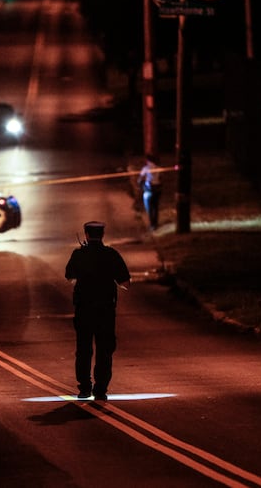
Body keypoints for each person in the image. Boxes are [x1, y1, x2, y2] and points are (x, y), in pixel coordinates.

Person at [65, 221, 131, 401]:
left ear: (86, 234)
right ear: (102, 235)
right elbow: (125, 283)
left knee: (84, 349)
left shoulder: (79, 254)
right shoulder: (111, 255)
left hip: (84, 309)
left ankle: (84, 388)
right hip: (105, 310)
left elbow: (69, 276)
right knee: (105, 349)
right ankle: (100, 389)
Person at [138, 157, 162, 230]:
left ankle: (152, 224)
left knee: (150, 207)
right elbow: (161, 178)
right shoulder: (158, 168)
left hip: (150, 189)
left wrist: (141, 184)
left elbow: (140, 179)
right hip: (157, 189)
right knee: (156, 206)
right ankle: (156, 223)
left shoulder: (146, 168)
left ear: (148, 161)